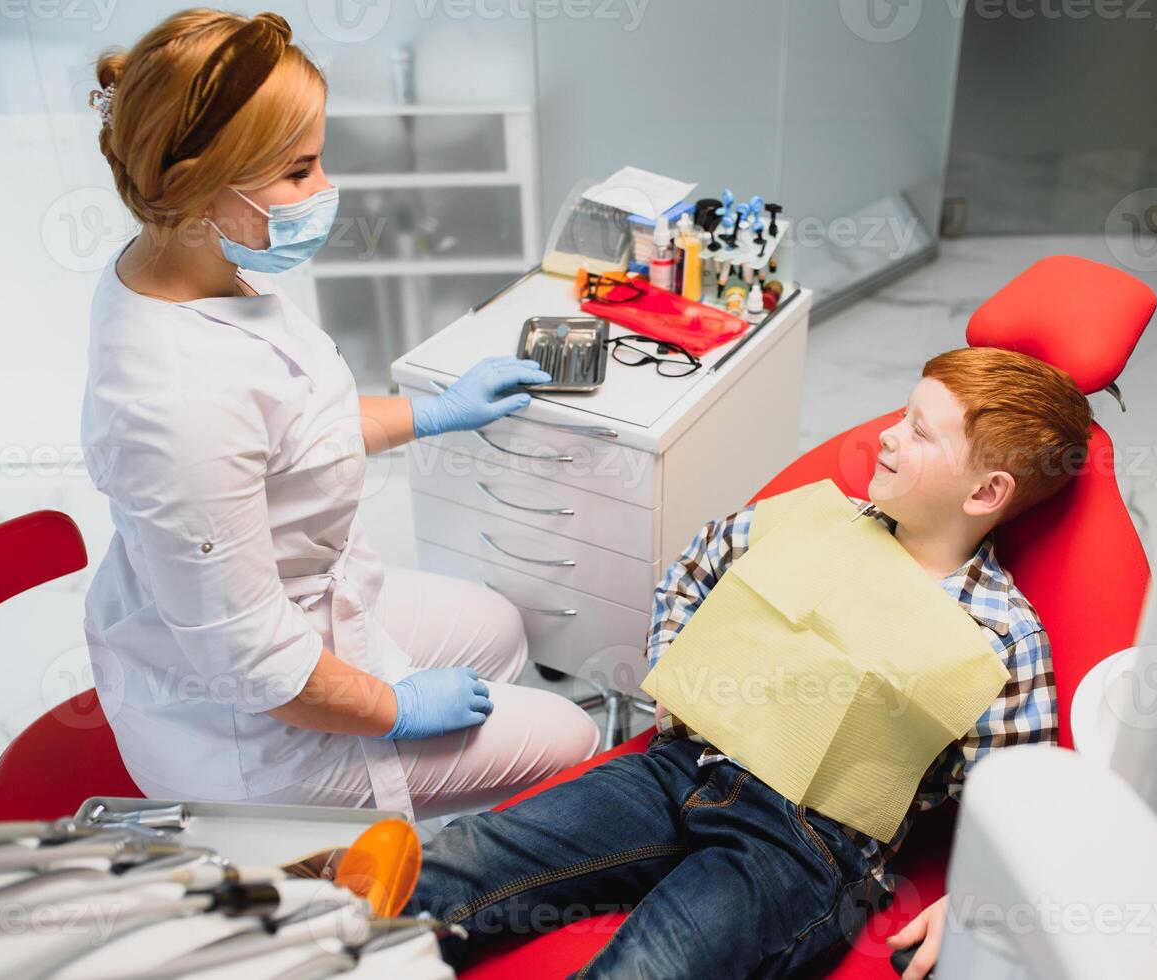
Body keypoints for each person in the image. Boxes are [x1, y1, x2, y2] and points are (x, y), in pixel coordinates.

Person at [405, 346, 1090, 977]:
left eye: (918, 431)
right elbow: (693, 569)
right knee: (470, 855)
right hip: (683, 767)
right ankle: (310, 944)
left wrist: (978, 898)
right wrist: (674, 665)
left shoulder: (999, 638)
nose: (887, 434)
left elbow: (1016, 803)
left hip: (804, 846)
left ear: (984, 493)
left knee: (644, 970)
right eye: (902, 415)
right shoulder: (814, 519)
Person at [80, 9, 599, 823]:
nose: (324, 193)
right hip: (250, 733)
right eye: (299, 171)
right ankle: (375, 855)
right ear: (202, 185)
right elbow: (256, 666)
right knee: (573, 740)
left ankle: (437, 775)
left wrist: (436, 412)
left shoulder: (187, 260)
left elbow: (288, 423)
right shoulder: (173, 411)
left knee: (501, 630)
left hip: (296, 600)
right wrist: (396, 710)